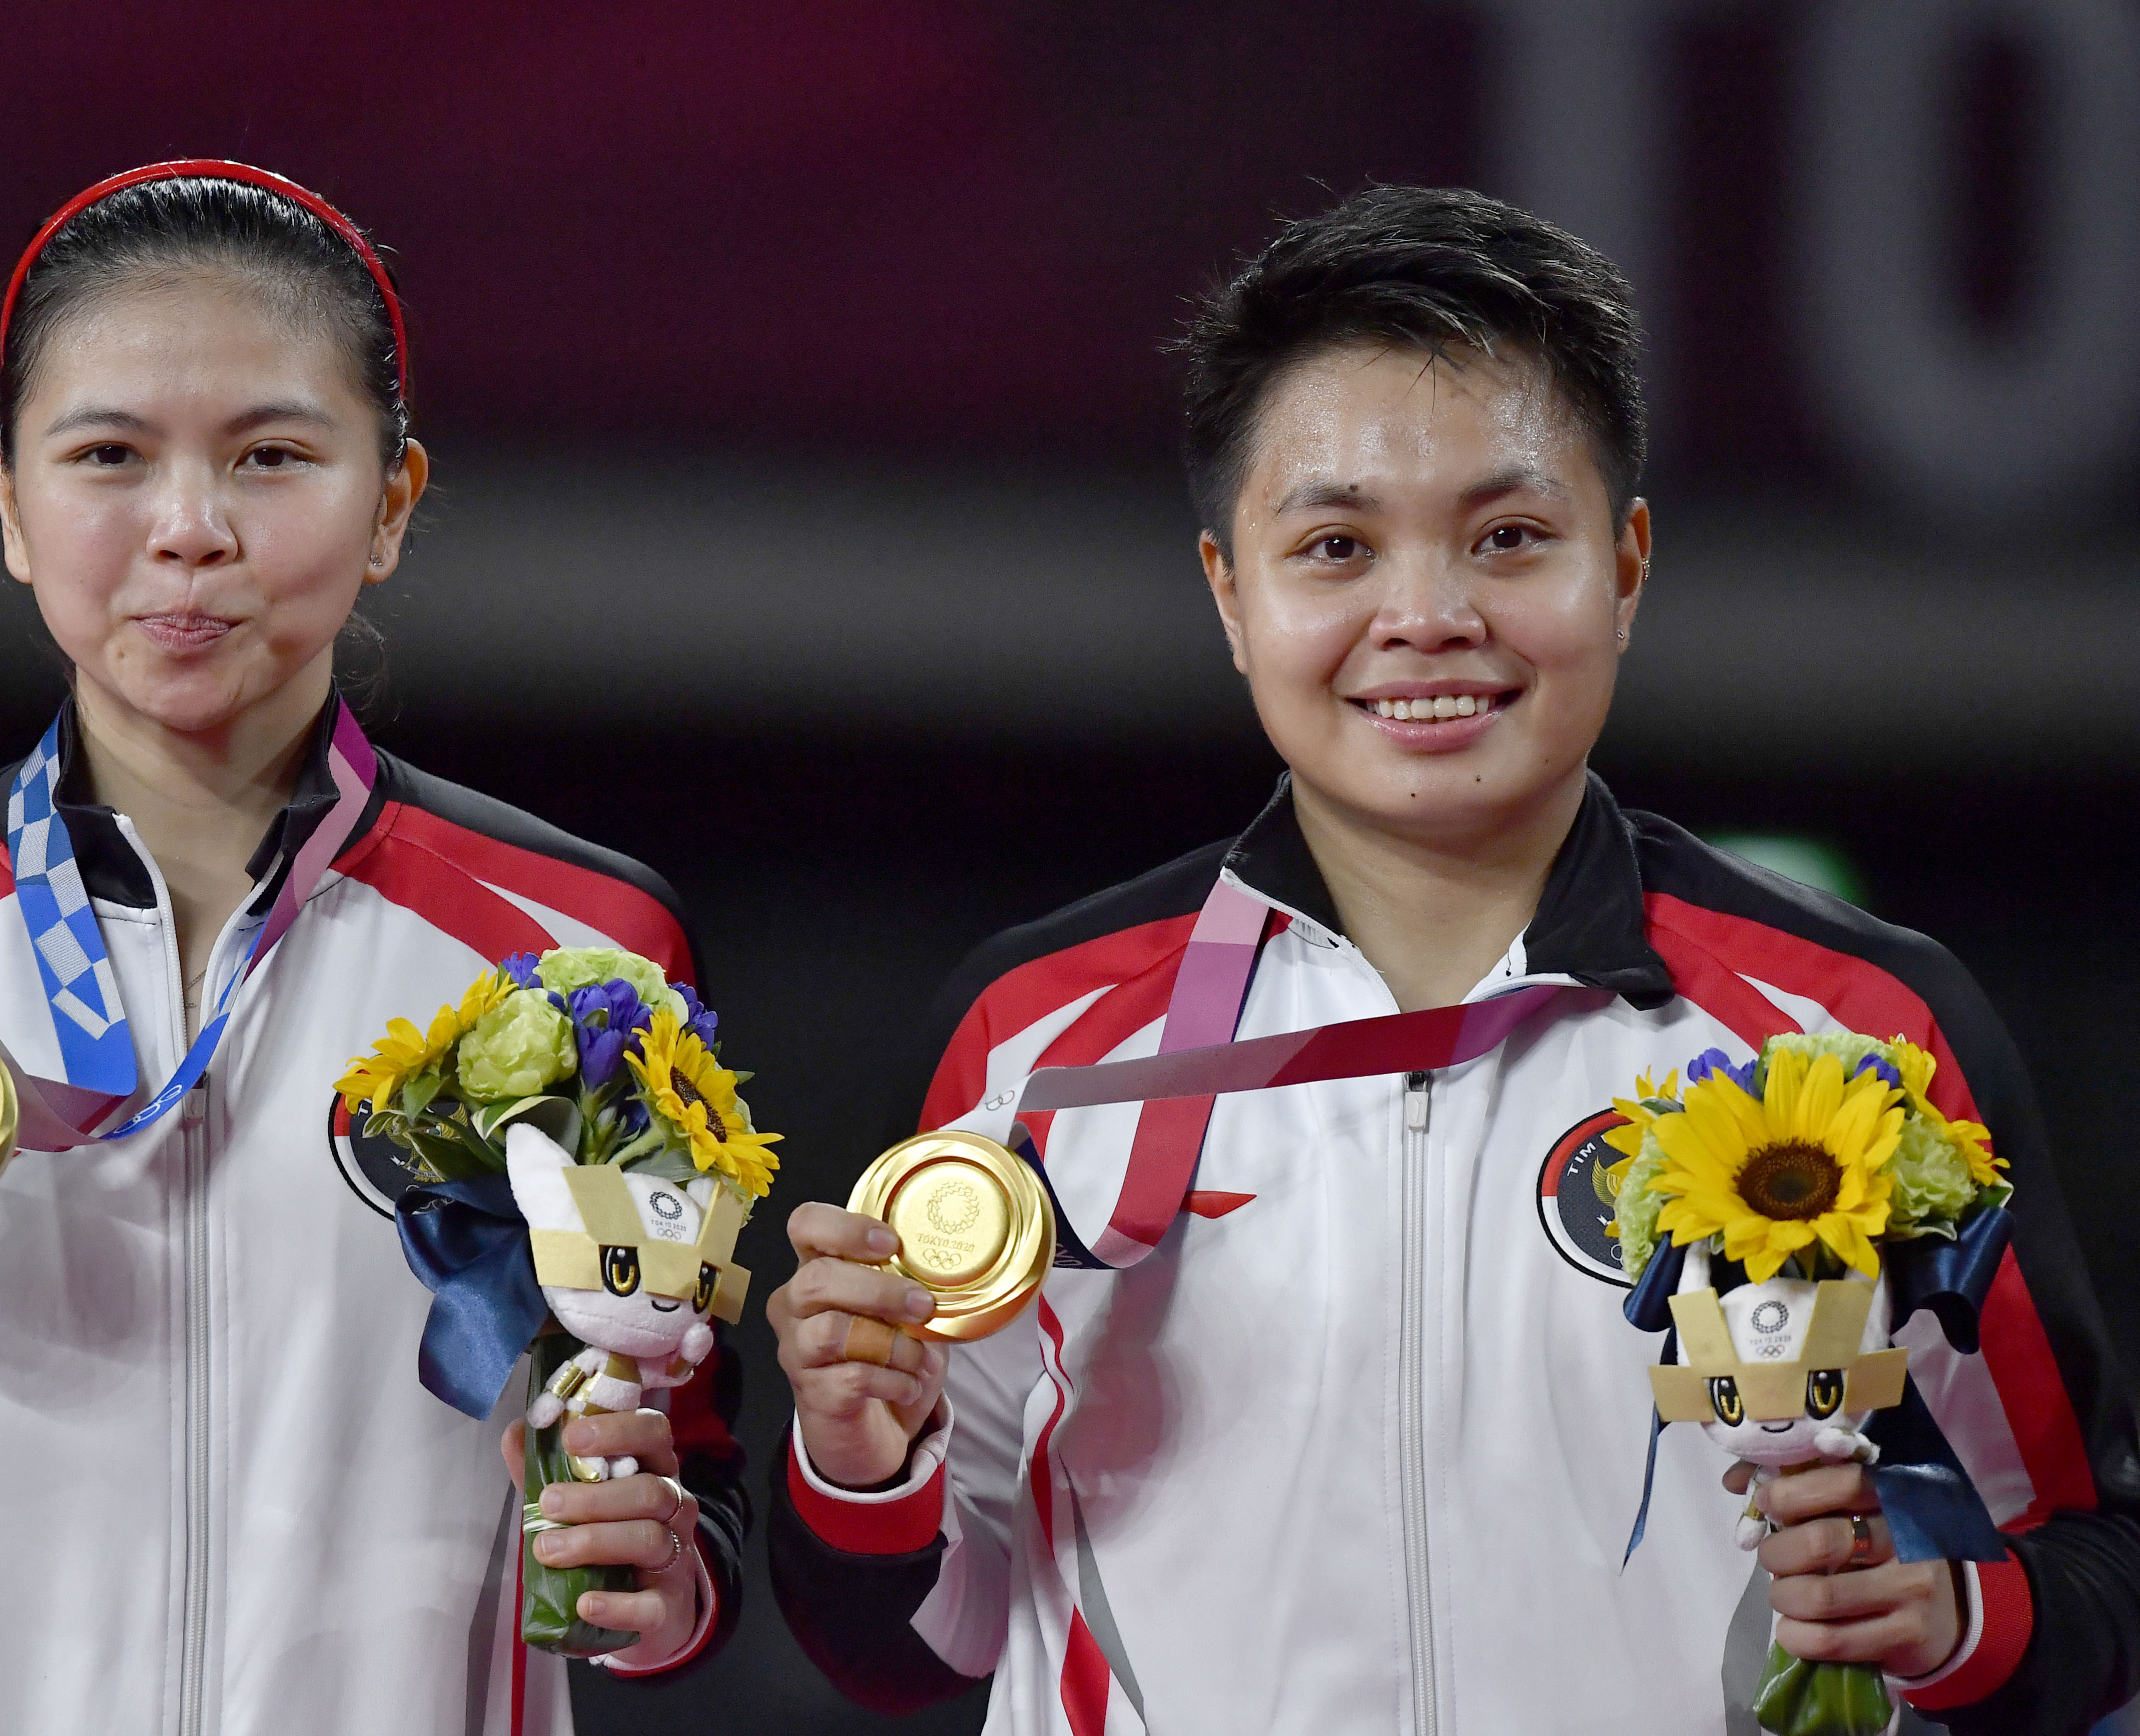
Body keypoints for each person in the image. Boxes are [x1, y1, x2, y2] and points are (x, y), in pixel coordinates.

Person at [766, 187, 2140, 1733]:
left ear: (1624, 565)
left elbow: (2096, 1560)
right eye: (1337, 545)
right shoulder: (1038, 1045)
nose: (1424, 617)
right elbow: (904, 1650)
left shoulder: (1855, 1034)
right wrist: (858, 1456)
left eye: (1507, 538)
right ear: (1231, 593)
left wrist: (1955, 1613)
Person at [0, 161, 739, 1732]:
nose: (188, 530)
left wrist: (658, 1580)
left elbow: (689, 1500)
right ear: (9, 503)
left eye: (273, 456)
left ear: (391, 504)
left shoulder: (582, 962)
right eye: (109, 455)